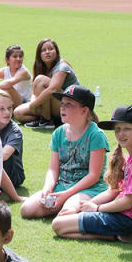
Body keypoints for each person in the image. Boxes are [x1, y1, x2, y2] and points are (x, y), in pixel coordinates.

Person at [52, 105, 132, 241]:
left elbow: (127, 203)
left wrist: (97, 208)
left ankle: (122, 235)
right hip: (128, 217)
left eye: (127, 129)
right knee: (64, 220)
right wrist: (83, 207)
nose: (121, 134)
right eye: (118, 129)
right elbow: (113, 191)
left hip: (128, 219)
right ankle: (125, 234)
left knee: (58, 225)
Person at [20, 85, 108, 219]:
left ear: (84, 110)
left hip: (89, 188)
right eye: (62, 104)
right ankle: (66, 203)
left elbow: (94, 176)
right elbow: (53, 169)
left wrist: (66, 194)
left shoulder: (96, 135)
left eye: (69, 104)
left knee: (66, 214)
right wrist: (48, 188)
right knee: (27, 209)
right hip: (63, 185)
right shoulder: (58, 133)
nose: (62, 108)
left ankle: (75, 205)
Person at [12, 38, 79, 129]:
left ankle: (46, 121)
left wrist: (33, 105)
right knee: (18, 113)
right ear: (39, 55)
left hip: (70, 106)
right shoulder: (41, 68)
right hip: (54, 106)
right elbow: (34, 91)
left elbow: (53, 90)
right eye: (43, 50)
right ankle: (54, 121)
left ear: (56, 51)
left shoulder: (61, 67)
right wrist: (33, 102)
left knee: (41, 80)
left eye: (51, 49)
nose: (47, 52)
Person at [0, 90, 25, 202]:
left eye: (9, 108)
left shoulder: (15, 132)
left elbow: (4, 155)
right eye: (2, 109)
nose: (7, 113)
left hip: (12, 176)